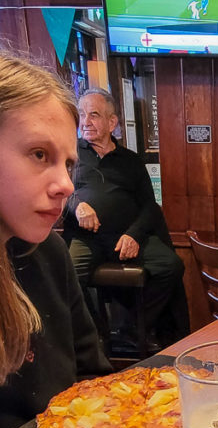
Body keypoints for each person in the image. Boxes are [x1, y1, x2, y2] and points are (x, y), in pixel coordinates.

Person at [0, 50, 110, 428]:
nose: (66, 185)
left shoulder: (49, 252)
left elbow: (92, 375)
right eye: (39, 155)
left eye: (68, 163)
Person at [62, 89, 188, 349]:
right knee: (67, 274)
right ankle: (96, 336)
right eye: (82, 115)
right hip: (88, 238)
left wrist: (134, 234)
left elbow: (150, 207)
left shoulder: (130, 161)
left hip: (125, 236)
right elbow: (59, 194)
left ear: (112, 123)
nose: (85, 122)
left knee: (171, 265)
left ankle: (132, 327)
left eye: (94, 115)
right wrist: (77, 206)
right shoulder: (70, 155)